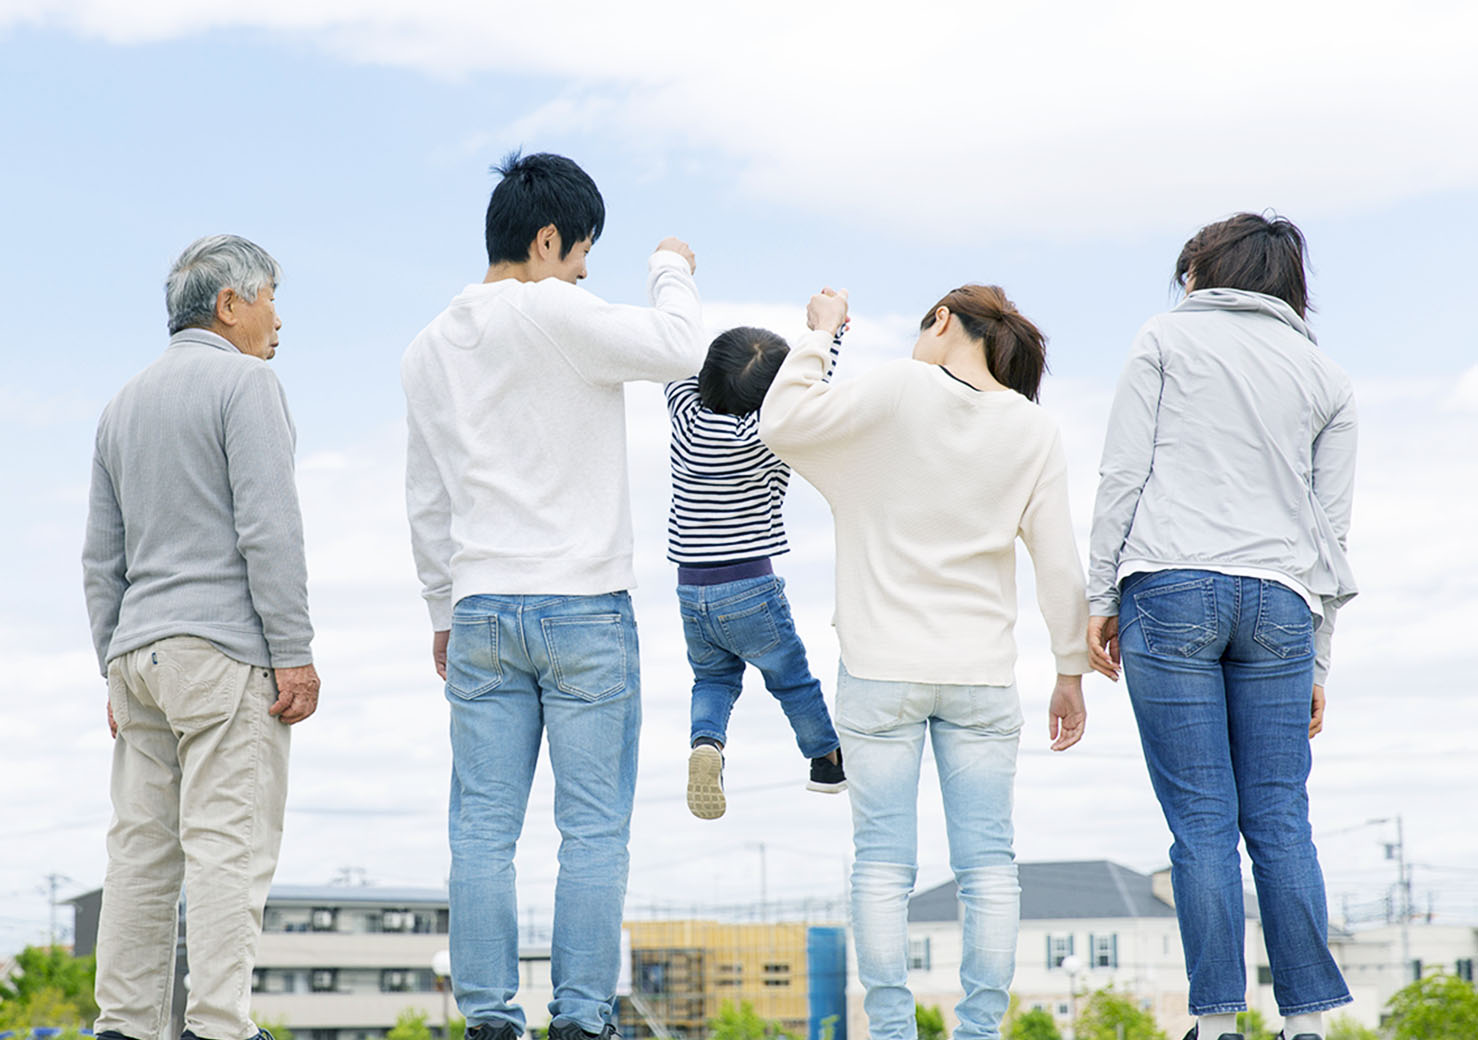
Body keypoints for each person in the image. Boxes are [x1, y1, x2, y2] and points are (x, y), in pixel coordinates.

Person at [402, 151, 704, 1040]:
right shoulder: (558, 311)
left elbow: (425, 496)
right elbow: (680, 347)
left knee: (482, 835)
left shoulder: (428, 347)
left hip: (484, 608)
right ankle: (580, 1019)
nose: (582, 272)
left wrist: (440, 611)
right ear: (545, 240)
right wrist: (671, 267)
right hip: (583, 609)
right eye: (581, 254)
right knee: (594, 833)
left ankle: (491, 1020)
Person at [760, 285, 1091, 1040]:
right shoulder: (1033, 431)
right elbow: (1058, 562)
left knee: (881, 864)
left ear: (944, 320)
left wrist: (820, 333)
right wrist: (1068, 670)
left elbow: (783, 419)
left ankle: (891, 1028)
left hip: (880, 667)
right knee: (989, 867)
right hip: (980, 673)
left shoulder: (901, 389)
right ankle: (979, 1029)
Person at [1085, 213, 1357, 1040]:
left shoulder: (1163, 340)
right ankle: (1307, 1023)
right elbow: (1331, 533)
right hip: (1281, 601)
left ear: (1204, 270)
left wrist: (1100, 595)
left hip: (1169, 586)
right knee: (1280, 817)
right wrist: (1318, 659)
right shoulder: (1325, 375)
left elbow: (1123, 471)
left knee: (1201, 820)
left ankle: (1217, 1023)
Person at [82, 234, 320, 1040]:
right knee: (229, 845)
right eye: (270, 300)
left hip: (138, 658)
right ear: (229, 305)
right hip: (222, 654)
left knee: (142, 854)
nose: (278, 321)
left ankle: (123, 1024)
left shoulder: (123, 404)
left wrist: (109, 668)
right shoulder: (246, 384)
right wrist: (294, 650)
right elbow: (269, 530)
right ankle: (220, 1026)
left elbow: (99, 558)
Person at [665, 326, 846, 820]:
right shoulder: (769, 433)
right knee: (791, 681)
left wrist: (673, 271)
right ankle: (826, 762)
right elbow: (808, 388)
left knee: (712, 680)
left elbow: (674, 355)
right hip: (751, 587)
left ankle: (708, 743)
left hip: (692, 589)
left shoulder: (684, 415)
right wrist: (829, 331)